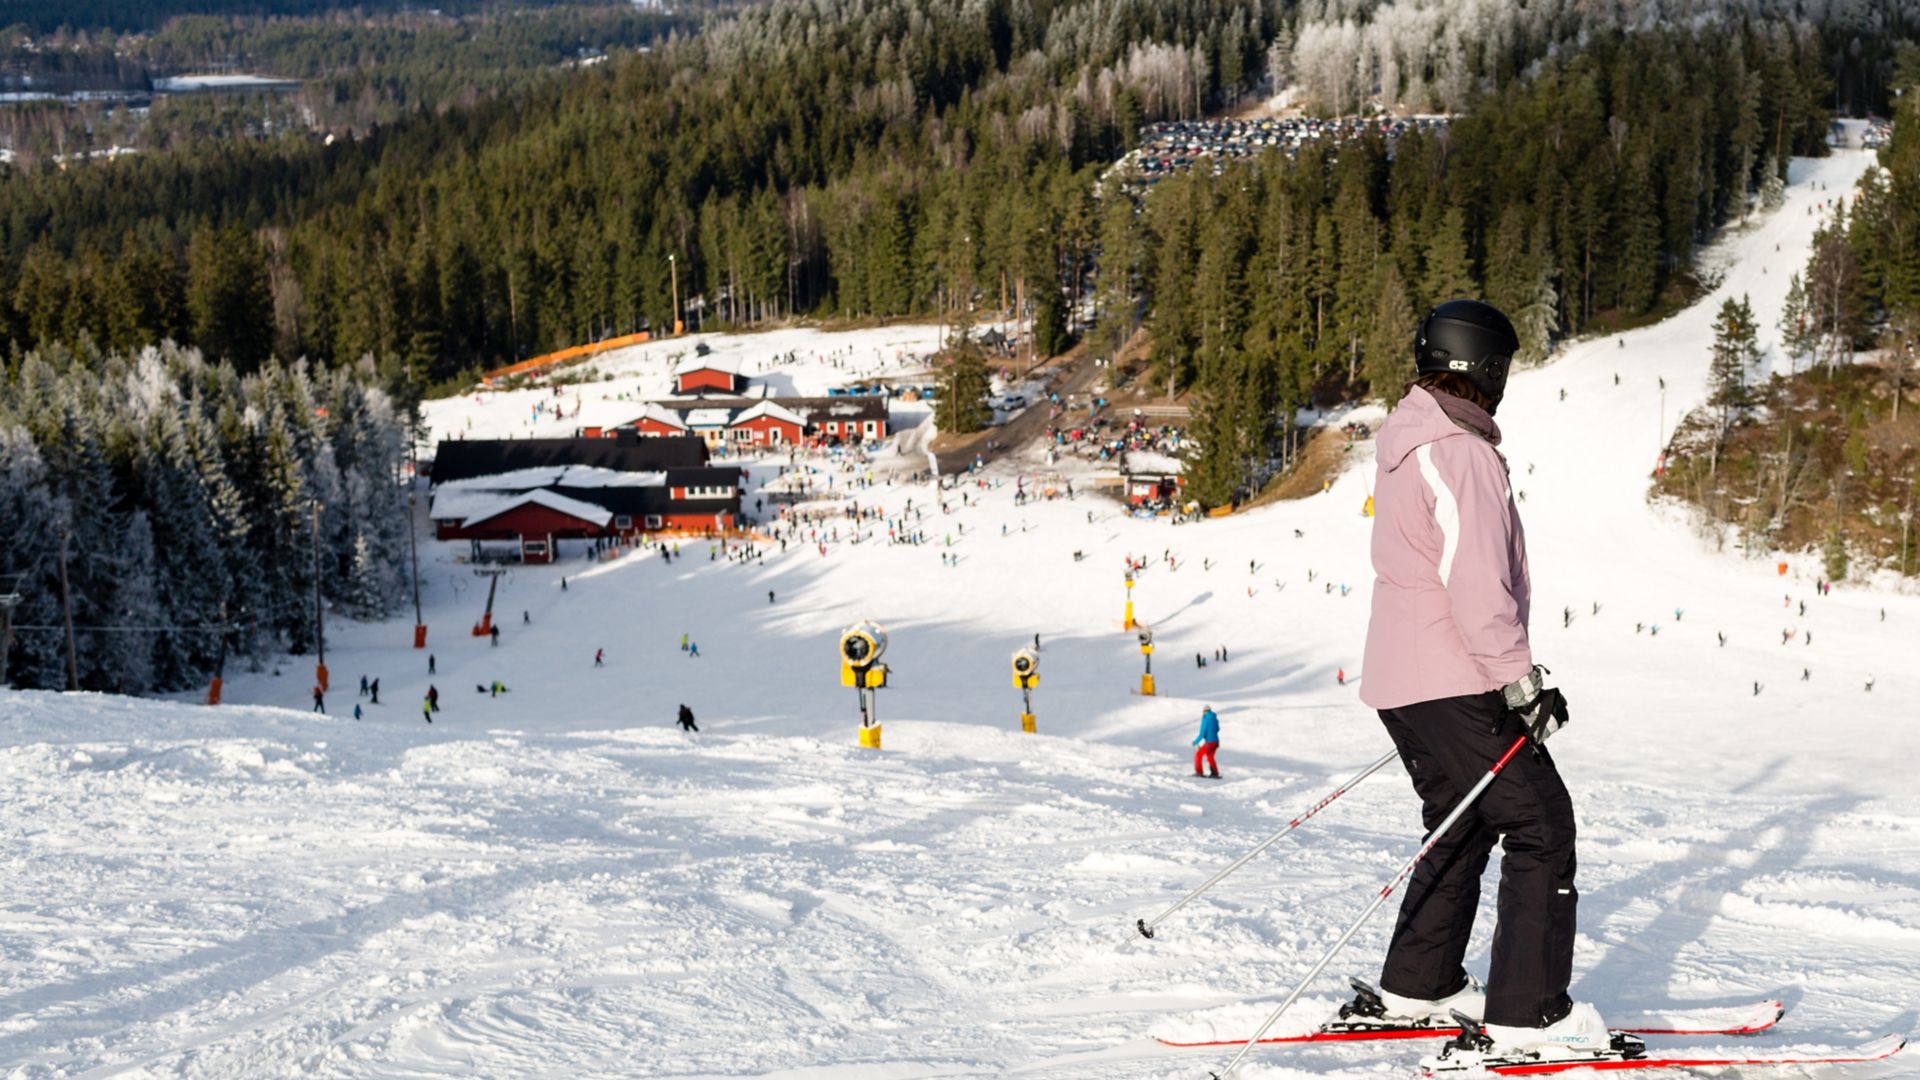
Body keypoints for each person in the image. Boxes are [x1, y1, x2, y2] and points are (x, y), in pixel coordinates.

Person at [1356, 299, 1601, 1062]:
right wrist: (1518, 681)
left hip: (1405, 679)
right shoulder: (1458, 452)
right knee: (1539, 823)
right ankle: (1528, 1017)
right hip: (1454, 674)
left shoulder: (1410, 440)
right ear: (1485, 367)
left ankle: (1419, 984)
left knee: (1460, 819)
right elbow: (1475, 583)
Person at [1191, 706, 1220, 779]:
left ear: (1204, 712)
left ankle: (1199, 772)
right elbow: (1217, 729)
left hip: (1209, 742)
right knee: (1210, 757)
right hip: (1216, 742)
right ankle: (1215, 773)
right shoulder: (1215, 718)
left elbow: (1202, 734)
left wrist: (1195, 742)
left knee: (1198, 755)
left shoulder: (1205, 719)